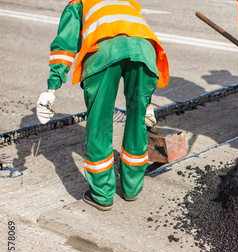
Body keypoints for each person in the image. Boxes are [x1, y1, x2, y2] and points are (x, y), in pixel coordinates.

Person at [36, 0, 169, 211]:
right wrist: (147, 103)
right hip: (145, 52)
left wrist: (51, 89)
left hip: (103, 52)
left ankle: (102, 194)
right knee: (137, 122)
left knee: (99, 123)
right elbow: (136, 40)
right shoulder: (127, 2)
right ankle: (132, 188)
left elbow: (65, 45)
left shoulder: (78, 3)